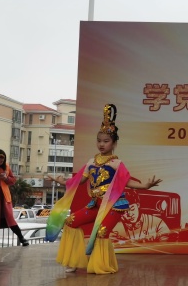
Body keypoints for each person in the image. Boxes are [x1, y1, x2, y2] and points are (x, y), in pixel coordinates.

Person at [45, 104, 162, 274]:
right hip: (95, 204)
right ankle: (75, 260)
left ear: (114, 143)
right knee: (70, 222)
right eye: (99, 141)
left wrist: (145, 186)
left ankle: (101, 265)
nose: (101, 144)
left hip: (113, 205)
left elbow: (127, 182)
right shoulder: (91, 162)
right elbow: (80, 181)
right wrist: (62, 181)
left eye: (106, 141)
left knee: (102, 232)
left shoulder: (116, 163)